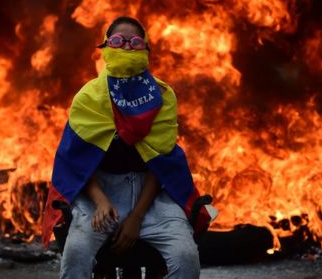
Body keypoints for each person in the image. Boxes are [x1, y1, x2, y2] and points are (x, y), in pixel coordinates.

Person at [42, 16, 211, 278]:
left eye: (135, 42)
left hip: (152, 196)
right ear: (106, 48)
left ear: (145, 49)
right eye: (118, 41)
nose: (127, 48)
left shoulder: (163, 97)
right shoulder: (87, 98)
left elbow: (162, 163)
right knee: (75, 254)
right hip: (100, 192)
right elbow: (77, 162)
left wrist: (136, 216)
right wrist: (99, 202)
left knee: (186, 258)